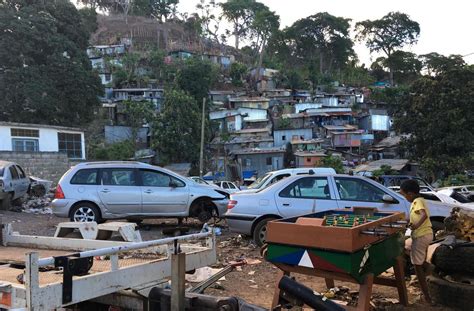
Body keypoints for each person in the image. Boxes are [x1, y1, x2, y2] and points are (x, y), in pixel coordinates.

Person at [399, 179, 433, 304]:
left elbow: (423, 215)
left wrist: (416, 226)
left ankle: (427, 297)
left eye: (404, 194)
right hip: (424, 234)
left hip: (421, 235)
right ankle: (430, 269)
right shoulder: (418, 201)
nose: (404, 197)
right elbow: (417, 216)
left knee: (417, 267)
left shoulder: (417, 201)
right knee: (410, 251)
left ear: (411, 193)